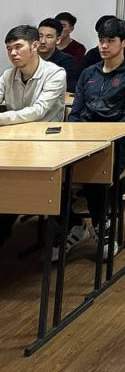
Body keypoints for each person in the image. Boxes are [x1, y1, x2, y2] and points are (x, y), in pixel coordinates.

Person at [59, 18, 125, 258]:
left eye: (110, 41)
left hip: (115, 143)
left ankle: (101, 226)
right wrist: (75, 138)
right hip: (83, 140)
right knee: (51, 176)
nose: (104, 46)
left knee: (94, 176)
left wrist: (103, 140)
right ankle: (74, 225)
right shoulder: (89, 72)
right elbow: (76, 112)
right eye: (101, 40)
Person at [0, 25, 67, 246]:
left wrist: (2, 118)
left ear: (35, 46)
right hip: (14, 142)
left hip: (46, 144)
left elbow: (38, 111)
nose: (13, 53)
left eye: (18, 47)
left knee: (14, 186)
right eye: (9, 49)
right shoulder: (8, 75)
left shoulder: (55, 73)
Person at [37, 18, 78, 92]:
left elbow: (68, 88)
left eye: (49, 37)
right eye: (40, 36)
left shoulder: (66, 61)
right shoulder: (28, 57)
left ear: (58, 40)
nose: (43, 41)